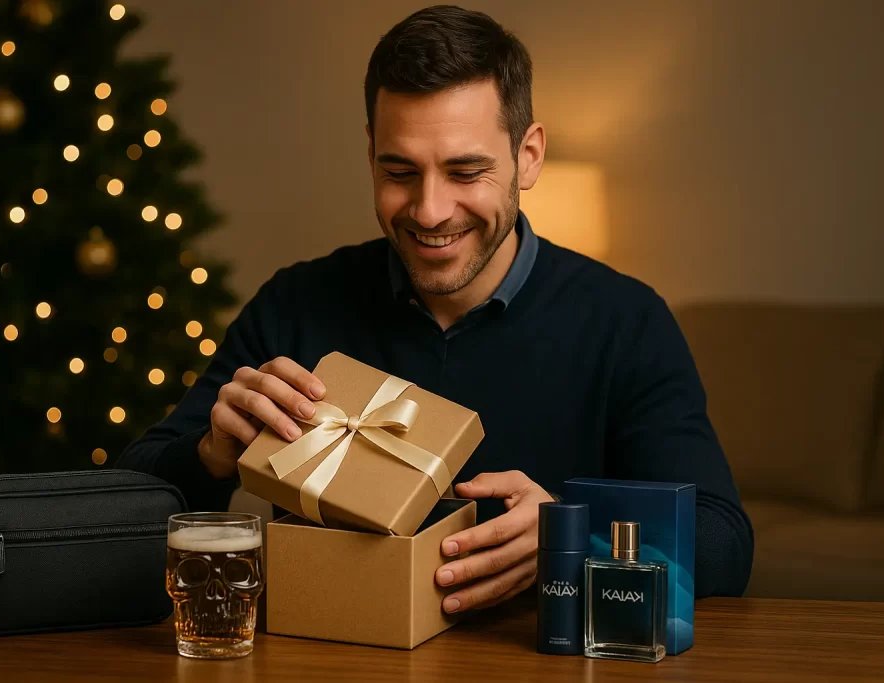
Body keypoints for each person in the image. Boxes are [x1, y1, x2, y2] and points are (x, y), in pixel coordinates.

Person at [118, 4, 753, 614]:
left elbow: (724, 542)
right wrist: (209, 452)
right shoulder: (297, 303)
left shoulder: (626, 320)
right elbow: (131, 504)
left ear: (527, 157)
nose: (429, 211)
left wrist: (570, 535)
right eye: (399, 171)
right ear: (370, 153)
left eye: (465, 171)